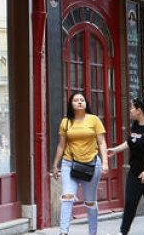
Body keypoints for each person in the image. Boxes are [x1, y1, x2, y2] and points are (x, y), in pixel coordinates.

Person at [53, 91, 108, 235]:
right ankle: (63, 232)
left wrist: (105, 163)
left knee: (90, 202)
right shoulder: (66, 122)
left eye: (82, 100)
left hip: (91, 164)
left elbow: (102, 143)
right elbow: (61, 145)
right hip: (69, 163)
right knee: (67, 197)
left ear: (85, 103)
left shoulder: (94, 120)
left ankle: (92, 232)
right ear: (71, 104)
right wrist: (55, 165)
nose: (79, 102)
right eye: (76, 100)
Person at [107, 95, 144, 235]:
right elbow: (131, 141)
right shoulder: (136, 125)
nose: (130, 110)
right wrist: (115, 150)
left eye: (132, 108)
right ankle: (123, 232)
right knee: (130, 203)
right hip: (135, 171)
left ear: (139, 111)